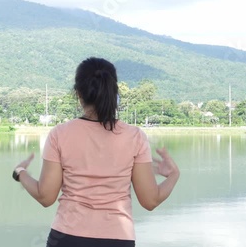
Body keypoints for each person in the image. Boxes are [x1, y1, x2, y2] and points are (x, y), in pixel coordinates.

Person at [12, 57, 180, 247]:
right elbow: (150, 200)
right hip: (118, 239)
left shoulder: (59, 134)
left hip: (67, 238)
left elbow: (46, 196)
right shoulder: (135, 137)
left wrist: (20, 172)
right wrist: (173, 175)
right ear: (114, 91)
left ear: (78, 94)